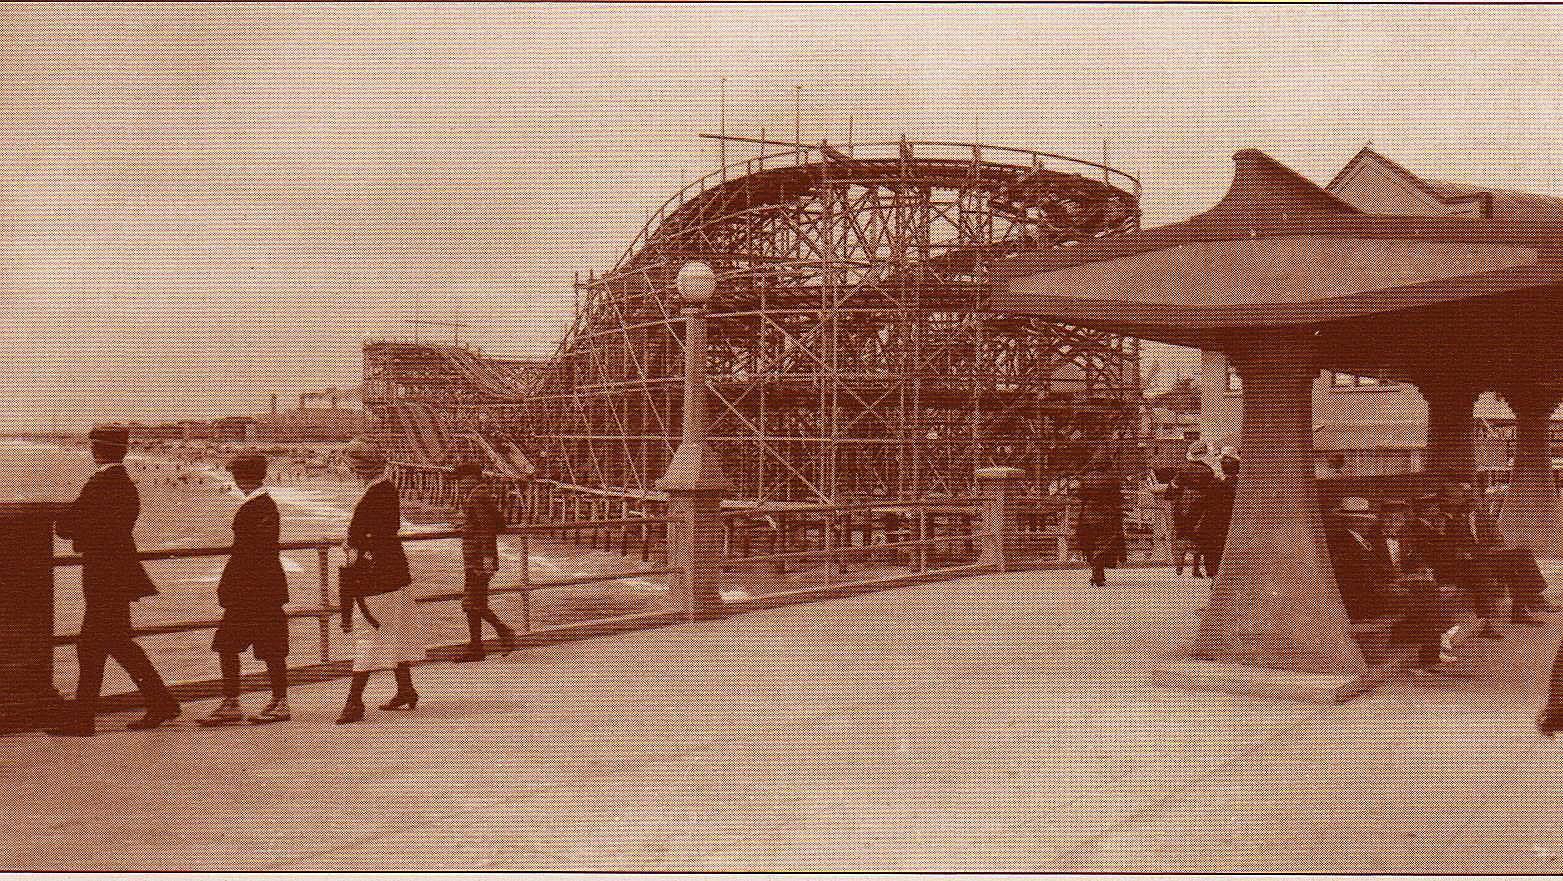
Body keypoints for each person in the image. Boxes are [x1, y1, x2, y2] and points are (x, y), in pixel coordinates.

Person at [48, 425, 180, 736]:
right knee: (116, 644)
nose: (91, 449)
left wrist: (68, 521)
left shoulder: (101, 484)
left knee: (91, 646)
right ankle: (160, 703)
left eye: (93, 445)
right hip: (118, 574)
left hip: (104, 575)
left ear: (100, 448)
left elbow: (69, 526)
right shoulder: (123, 484)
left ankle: (83, 720)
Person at [199, 454, 291, 726]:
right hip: (266, 588)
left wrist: (228, 586)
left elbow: (246, 554)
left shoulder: (255, 507)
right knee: (270, 647)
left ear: (241, 478)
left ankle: (233, 702)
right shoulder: (266, 506)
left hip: (250, 590)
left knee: (229, 644)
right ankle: (278, 700)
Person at [336, 438, 423, 724]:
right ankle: (405, 689)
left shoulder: (374, 494)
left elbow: (368, 534)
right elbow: (389, 529)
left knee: (368, 635)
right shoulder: (386, 489)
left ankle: (354, 702)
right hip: (394, 571)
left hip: (375, 575)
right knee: (396, 629)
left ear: (359, 468)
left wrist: (354, 542)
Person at [453, 461, 515, 662]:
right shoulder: (480, 494)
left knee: (472, 602)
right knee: (475, 603)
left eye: (462, 480)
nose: (459, 484)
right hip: (475, 557)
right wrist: (466, 525)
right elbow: (495, 523)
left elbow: (488, 528)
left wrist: (488, 558)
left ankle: (504, 632)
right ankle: (476, 647)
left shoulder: (478, 495)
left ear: (471, 478)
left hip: (478, 559)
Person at [1166, 440, 1219, 577]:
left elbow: (1173, 488)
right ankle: (1196, 568)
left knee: (1181, 533)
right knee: (1199, 536)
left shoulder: (1183, 469)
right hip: (1202, 505)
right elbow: (1213, 491)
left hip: (1183, 505)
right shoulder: (1208, 471)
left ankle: (1179, 566)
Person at [1074, 460, 1126, 587]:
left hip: (1088, 516)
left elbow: (1080, 495)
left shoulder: (1085, 479)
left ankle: (1098, 573)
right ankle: (1097, 574)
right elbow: (1118, 498)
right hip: (1107, 515)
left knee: (1091, 544)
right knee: (1104, 545)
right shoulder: (1113, 479)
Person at [1199, 451, 1239, 577]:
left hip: (1214, 522)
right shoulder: (1240, 486)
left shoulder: (1216, 484)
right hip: (1232, 522)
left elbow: (1205, 502)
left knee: (1211, 546)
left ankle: (1212, 572)